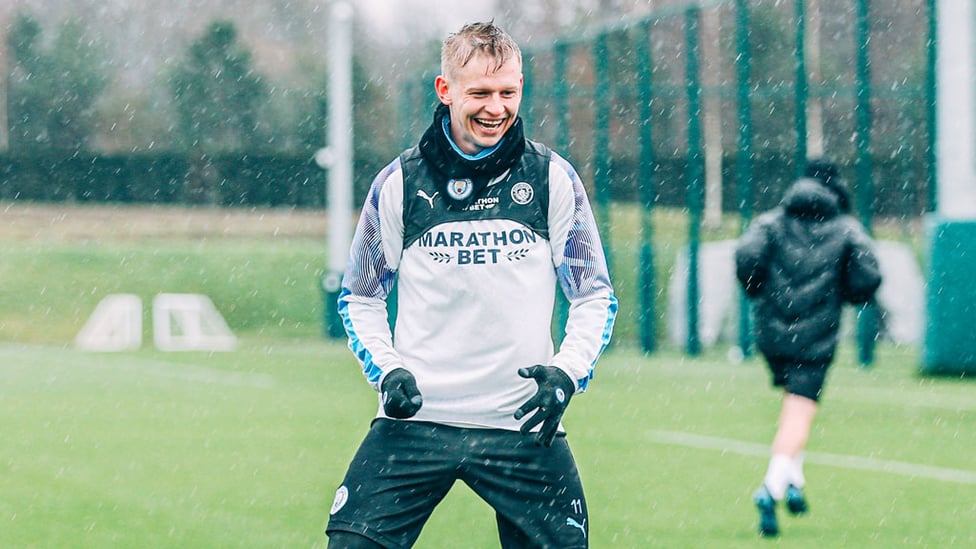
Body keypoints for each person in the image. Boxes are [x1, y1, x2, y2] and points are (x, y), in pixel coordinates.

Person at [325, 21, 617, 549]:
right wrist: (387, 370)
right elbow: (361, 296)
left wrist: (566, 374)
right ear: (446, 90)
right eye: (480, 93)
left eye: (508, 92)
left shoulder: (552, 178)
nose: (496, 108)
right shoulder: (399, 183)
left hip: (523, 424)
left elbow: (594, 294)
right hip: (416, 420)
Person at [734, 158, 882, 538]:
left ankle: (795, 481)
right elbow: (869, 275)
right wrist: (846, 294)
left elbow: (747, 256)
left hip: (771, 333)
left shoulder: (772, 222)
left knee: (792, 407)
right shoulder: (846, 228)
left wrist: (758, 290)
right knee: (800, 413)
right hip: (817, 335)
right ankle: (772, 487)